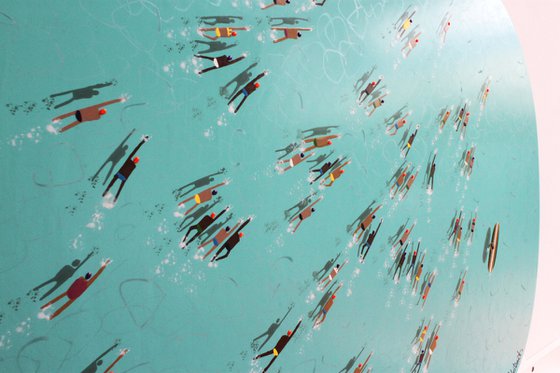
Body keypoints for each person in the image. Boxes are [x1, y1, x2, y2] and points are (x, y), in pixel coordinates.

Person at [40, 259, 111, 320]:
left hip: (68, 292)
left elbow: (74, 284)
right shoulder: (87, 283)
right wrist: (105, 265)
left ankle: (45, 307)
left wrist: (105, 264)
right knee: (63, 307)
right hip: (73, 296)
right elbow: (97, 275)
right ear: (89, 277)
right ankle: (52, 315)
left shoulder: (80, 278)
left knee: (57, 299)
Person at [102, 136, 149, 203]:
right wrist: (143, 141)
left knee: (112, 182)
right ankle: (115, 199)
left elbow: (135, 150)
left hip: (119, 174)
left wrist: (142, 142)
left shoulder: (129, 160)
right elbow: (135, 151)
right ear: (137, 162)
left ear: (133, 159)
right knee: (120, 189)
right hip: (124, 178)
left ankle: (106, 192)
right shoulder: (134, 166)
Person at [53, 98, 125, 133]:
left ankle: (57, 122)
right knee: (72, 122)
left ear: (101, 111)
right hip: (81, 117)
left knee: (69, 116)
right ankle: (60, 128)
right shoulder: (98, 117)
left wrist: (118, 100)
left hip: (79, 114)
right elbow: (107, 103)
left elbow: (106, 103)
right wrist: (118, 100)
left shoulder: (96, 110)